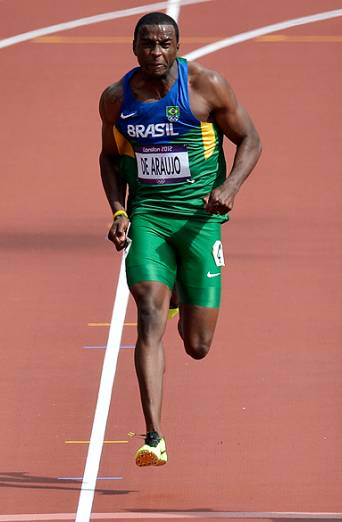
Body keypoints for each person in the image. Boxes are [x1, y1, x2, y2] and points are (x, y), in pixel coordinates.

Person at [99, 13, 261, 467]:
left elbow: (250, 139)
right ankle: (153, 435)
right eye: (147, 44)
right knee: (149, 310)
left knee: (197, 346)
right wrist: (117, 210)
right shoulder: (116, 99)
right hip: (148, 216)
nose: (155, 52)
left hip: (200, 220)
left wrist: (229, 189)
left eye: (164, 44)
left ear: (177, 46)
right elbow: (109, 159)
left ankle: (181, 294)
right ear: (134, 48)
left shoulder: (207, 86)